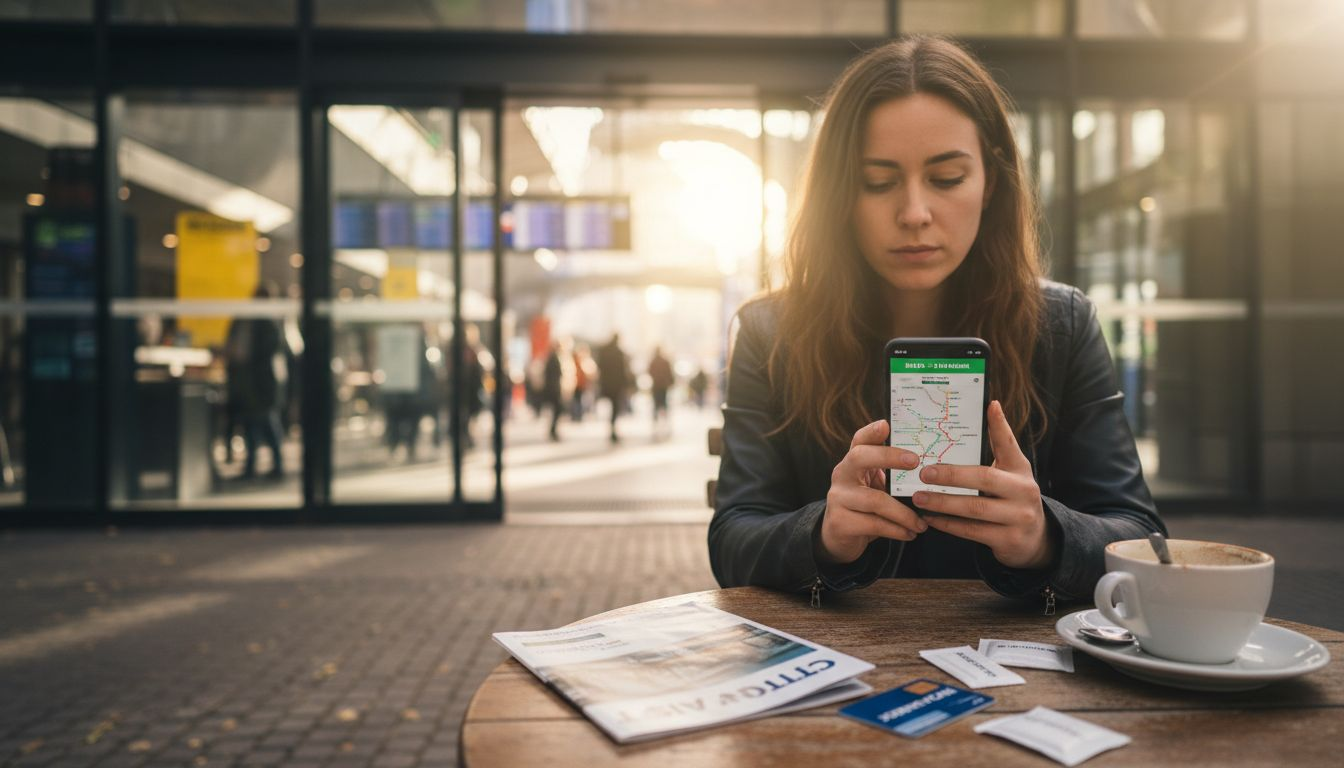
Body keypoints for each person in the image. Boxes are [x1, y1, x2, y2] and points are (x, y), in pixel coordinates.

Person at [708, 36, 1165, 611]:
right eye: (877, 182)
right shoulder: (771, 332)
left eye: (947, 178)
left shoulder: (1062, 325)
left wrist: (1045, 535)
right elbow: (732, 541)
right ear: (839, 196)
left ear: (990, 184)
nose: (915, 213)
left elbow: (1144, 540)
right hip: (837, 659)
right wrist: (825, 533)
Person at [224, 283, 288, 479]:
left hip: (260, 382)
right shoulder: (253, 320)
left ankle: (275, 465)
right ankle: (254, 466)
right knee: (252, 424)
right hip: (248, 380)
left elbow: (269, 350)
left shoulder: (267, 322)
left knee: (266, 422)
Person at [595, 333, 630, 443]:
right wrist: (626, 385)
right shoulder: (618, 352)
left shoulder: (604, 351)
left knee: (612, 406)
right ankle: (613, 428)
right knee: (615, 407)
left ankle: (612, 428)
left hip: (607, 384)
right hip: (616, 385)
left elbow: (600, 366)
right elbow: (623, 370)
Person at [647, 345, 674, 437]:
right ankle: (664, 425)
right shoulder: (664, 361)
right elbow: (670, 373)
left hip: (657, 386)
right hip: (662, 386)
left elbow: (649, 372)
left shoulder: (654, 361)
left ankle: (657, 425)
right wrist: (669, 382)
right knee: (663, 406)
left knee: (656, 406)